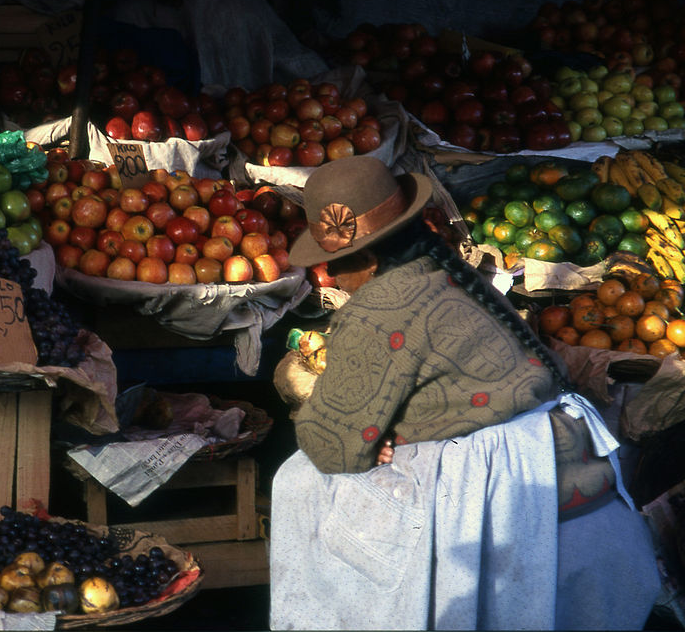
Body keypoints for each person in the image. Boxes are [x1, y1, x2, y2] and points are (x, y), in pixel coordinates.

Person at [269, 156, 660, 631]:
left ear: (367, 257)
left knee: (299, 478)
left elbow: (332, 443)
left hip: (520, 510)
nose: (331, 274)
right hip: (590, 514)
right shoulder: (457, 276)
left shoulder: (377, 310)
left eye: (333, 261)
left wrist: (376, 436)